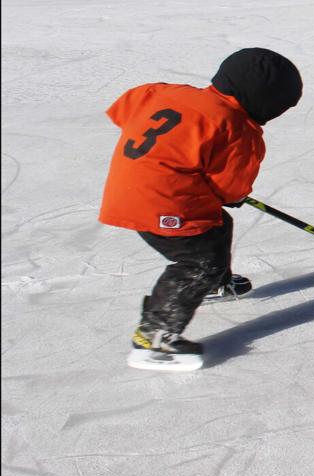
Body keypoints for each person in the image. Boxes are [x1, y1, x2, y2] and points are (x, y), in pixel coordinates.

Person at [100, 47, 302, 371]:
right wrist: (229, 194)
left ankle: (218, 283)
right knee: (198, 262)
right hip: (162, 202)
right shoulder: (238, 129)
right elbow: (230, 188)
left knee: (216, 224)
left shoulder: (164, 92)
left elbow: (124, 107)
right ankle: (153, 338)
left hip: (129, 188)